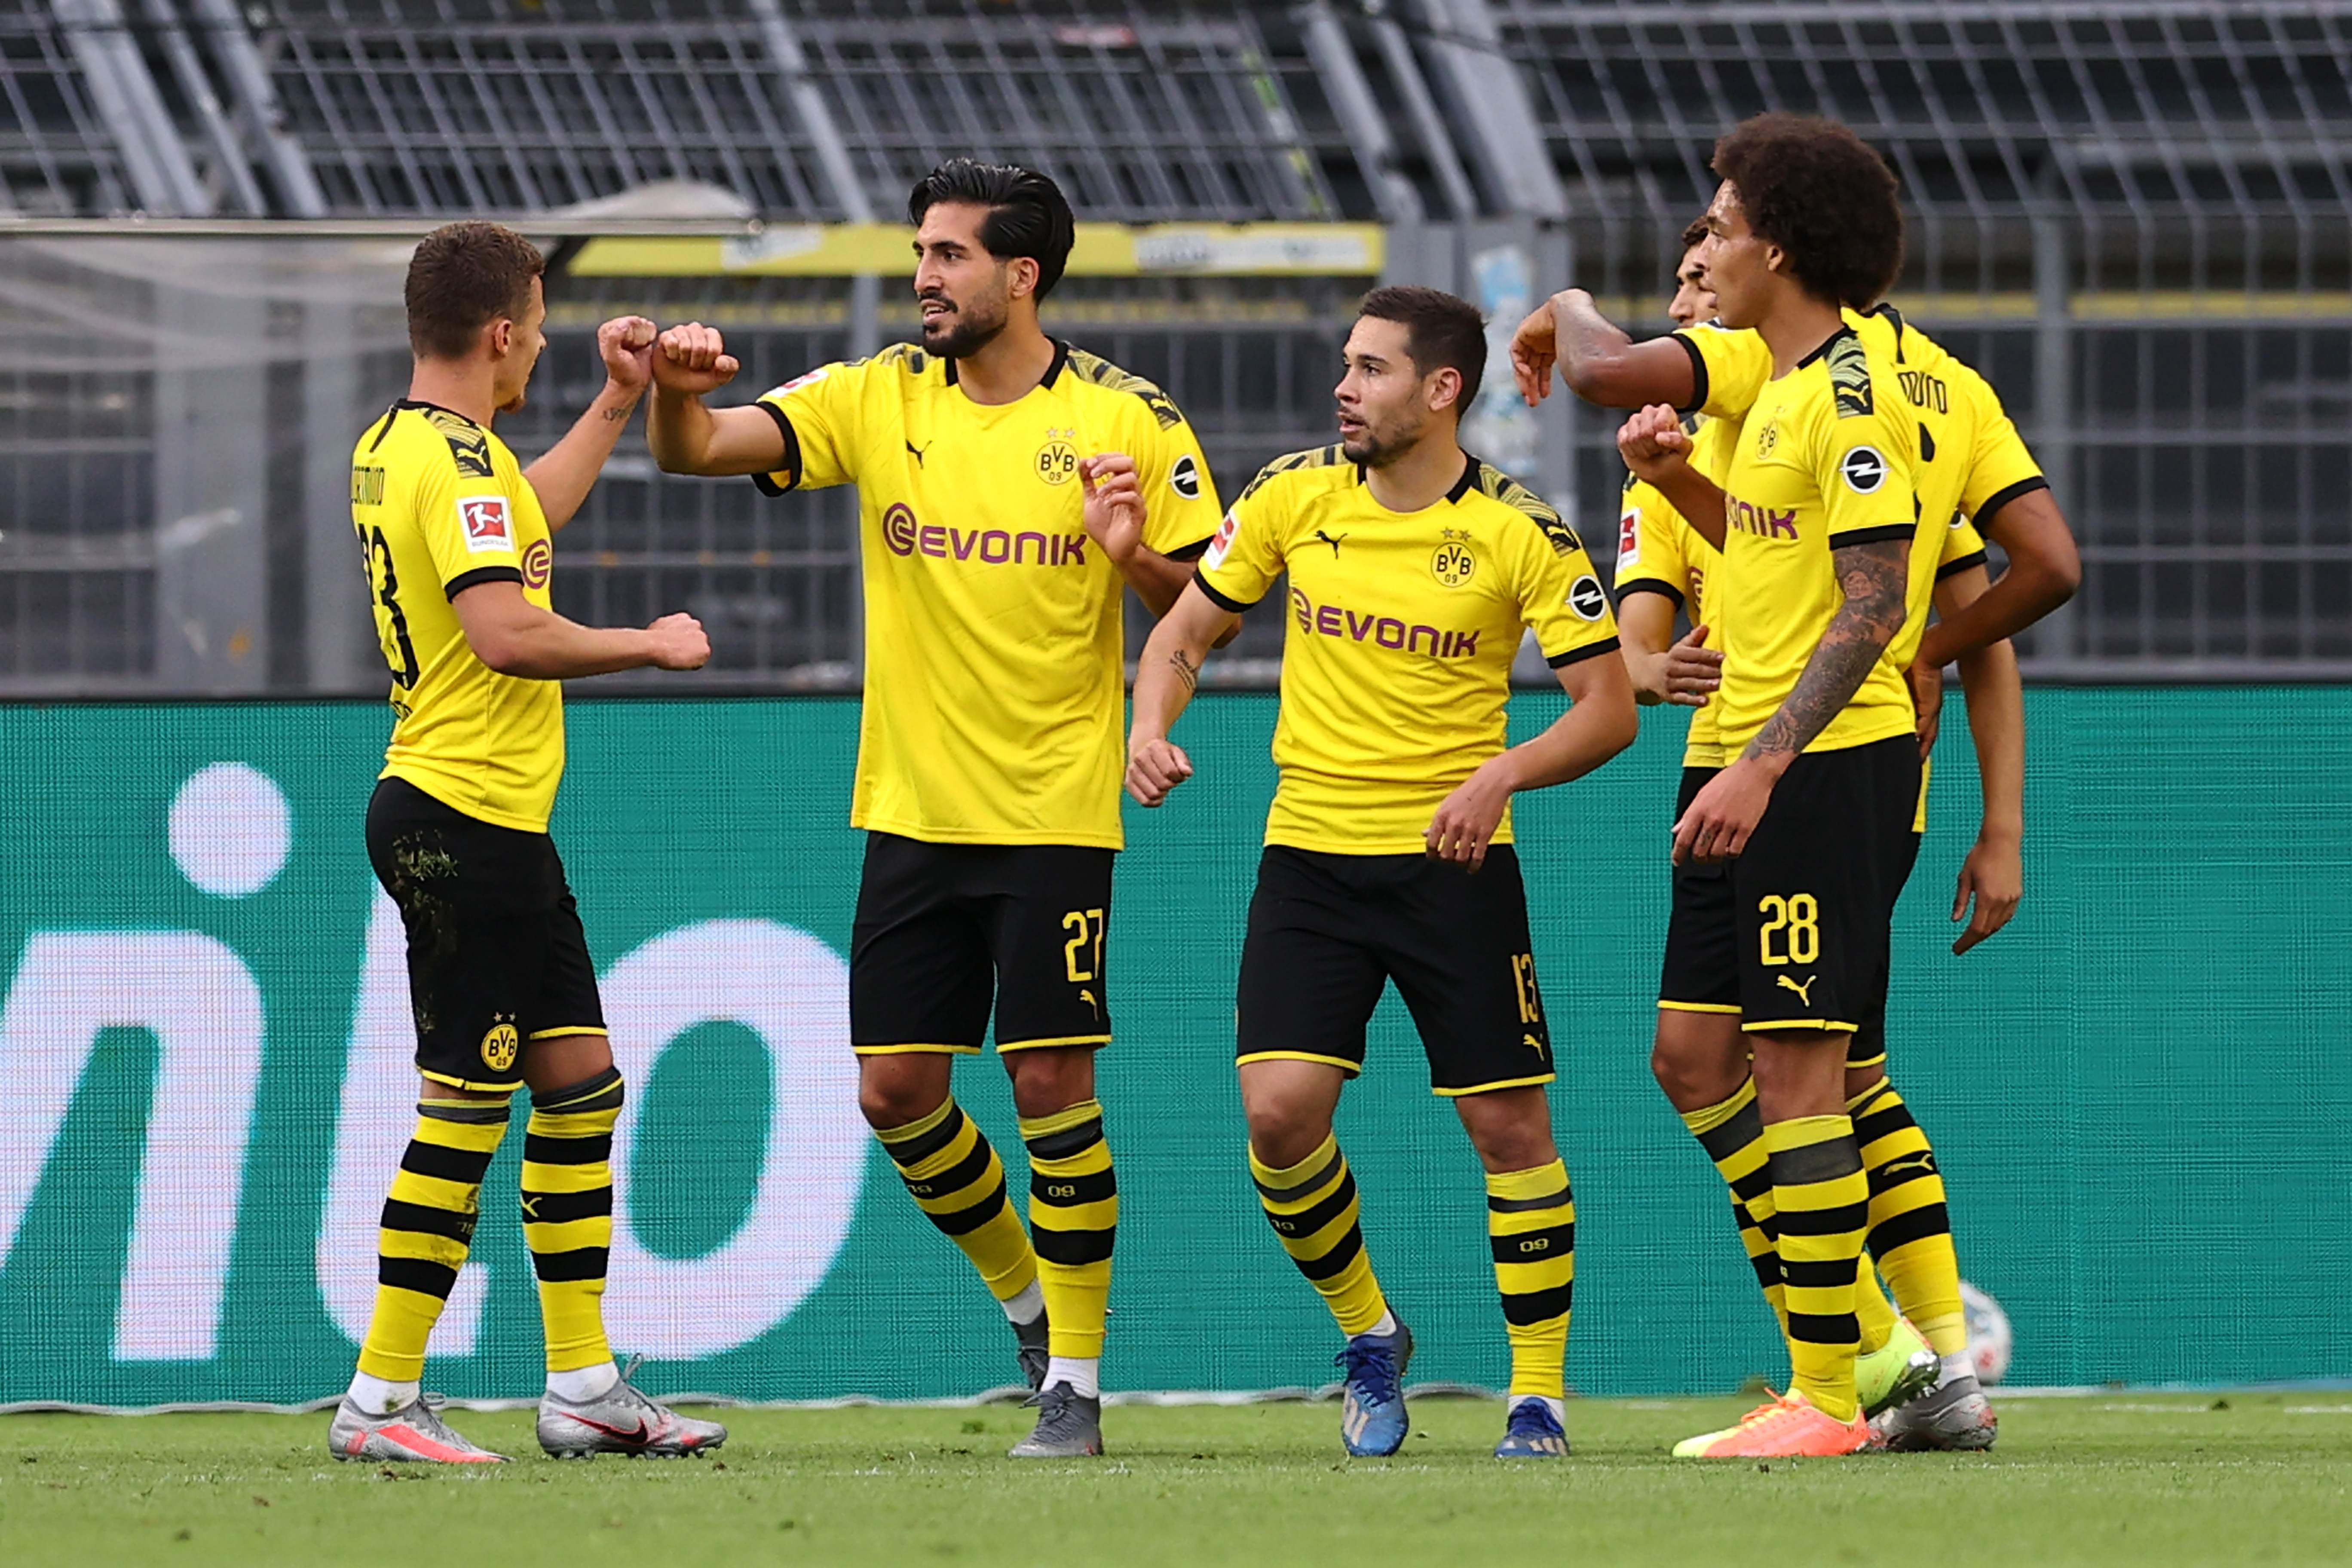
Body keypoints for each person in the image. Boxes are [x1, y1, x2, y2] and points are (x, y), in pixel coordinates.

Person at [645, 159, 1223, 1460]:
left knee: (1049, 1084)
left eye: (949, 255)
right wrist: (677, 400)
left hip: (1056, 813)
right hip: (911, 811)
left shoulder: (1132, 421)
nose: (922, 276)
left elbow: (1203, 607)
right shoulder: (877, 394)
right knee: (896, 1094)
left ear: (1021, 276)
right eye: (920, 251)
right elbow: (703, 453)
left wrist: (1129, 552)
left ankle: (1076, 1377)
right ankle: (1028, 1305)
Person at [1127, 286, 1637, 1460]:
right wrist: (1150, 725)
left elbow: (1607, 712)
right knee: (1278, 1117)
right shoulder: (1292, 494)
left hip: (1454, 871)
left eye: (1373, 369)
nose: (1345, 389)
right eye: (1347, 366)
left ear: (1441, 389)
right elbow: (1181, 637)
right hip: (1309, 861)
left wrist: (1501, 776)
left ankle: (1538, 1401)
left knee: (1511, 1130)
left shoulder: (1522, 530)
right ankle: (1370, 1333)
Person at [1605, 218, 2046, 1448]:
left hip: (1818, 771)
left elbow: (1957, 613)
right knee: (1699, 1062)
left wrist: (1998, 817)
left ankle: (1904, 1370)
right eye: (1679, 287)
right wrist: (1656, 662)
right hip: (1728, 770)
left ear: (1773, 273)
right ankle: (1890, 1354)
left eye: (1712, 272)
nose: (1691, 304)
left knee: (1832, 1075)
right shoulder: (1700, 447)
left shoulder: (1865, 401)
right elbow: (1651, 638)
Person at [333, 220, 717, 1464]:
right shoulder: (456, 465)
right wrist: (644, 645)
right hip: (463, 819)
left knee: (581, 1084)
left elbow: (519, 518)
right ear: (502, 333)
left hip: (485, 821)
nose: (546, 339)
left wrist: (616, 402)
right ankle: (381, 1401)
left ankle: (584, 1386)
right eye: (542, 324)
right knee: (465, 1100)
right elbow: (505, 629)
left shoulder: (406, 446)